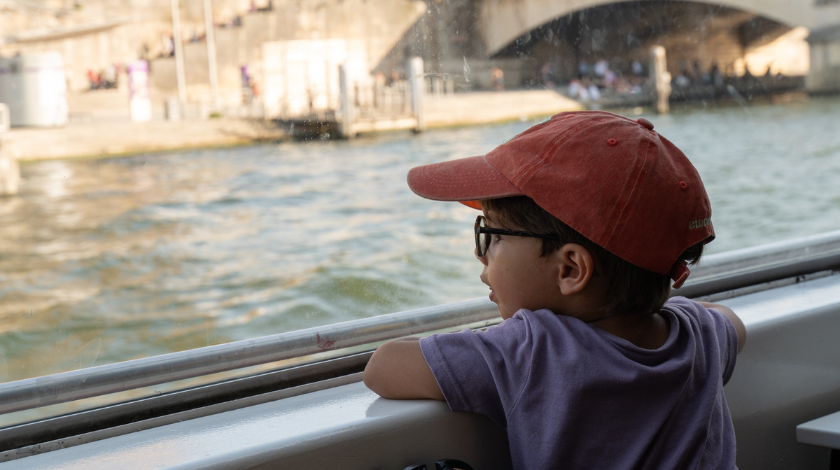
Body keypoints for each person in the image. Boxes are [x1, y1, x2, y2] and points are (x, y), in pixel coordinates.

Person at [364, 111, 747, 470]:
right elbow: (731, 322)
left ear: (570, 269)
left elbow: (382, 367)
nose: (481, 254)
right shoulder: (701, 335)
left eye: (493, 235)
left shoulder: (532, 350)